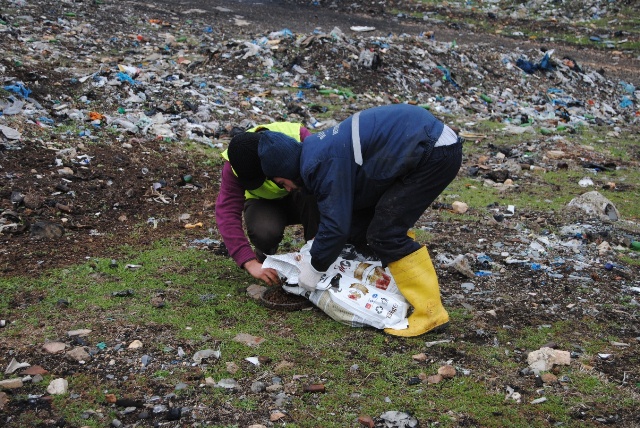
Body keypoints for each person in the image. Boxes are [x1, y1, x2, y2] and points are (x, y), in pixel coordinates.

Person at [255, 104, 463, 337]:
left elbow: (335, 228)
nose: (287, 188)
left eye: (282, 183)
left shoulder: (320, 164)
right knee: (366, 223)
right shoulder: (316, 150)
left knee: (386, 233)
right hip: (425, 144)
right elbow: (347, 213)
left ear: (286, 169)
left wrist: (313, 268)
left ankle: (431, 313)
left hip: (433, 152)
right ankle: (395, 284)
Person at [215, 122, 319, 286]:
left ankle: (315, 255)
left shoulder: (298, 137)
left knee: (313, 195)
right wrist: (248, 261)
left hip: (302, 197)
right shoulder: (235, 162)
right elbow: (226, 212)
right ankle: (266, 258)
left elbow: (329, 184)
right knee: (264, 231)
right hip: (264, 204)